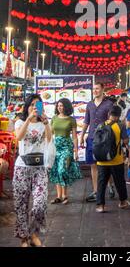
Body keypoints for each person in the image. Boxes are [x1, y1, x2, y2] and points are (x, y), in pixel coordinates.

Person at [13, 94, 52, 247]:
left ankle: (33, 233)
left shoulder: (44, 123)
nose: (35, 107)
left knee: (40, 203)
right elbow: (19, 137)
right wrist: (29, 119)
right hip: (22, 167)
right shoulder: (20, 122)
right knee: (21, 204)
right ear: (27, 106)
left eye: (38, 104)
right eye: (32, 104)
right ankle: (24, 238)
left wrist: (46, 122)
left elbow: (49, 139)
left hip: (39, 168)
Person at [80, 82, 113, 202]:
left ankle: (110, 185)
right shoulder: (89, 104)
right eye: (94, 89)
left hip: (104, 139)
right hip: (91, 138)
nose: (95, 91)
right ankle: (96, 191)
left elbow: (111, 121)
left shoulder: (109, 104)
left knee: (104, 164)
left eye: (97, 88)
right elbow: (86, 121)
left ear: (103, 89)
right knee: (93, 164)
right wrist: (82, 135)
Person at [95, 105, 130, 212]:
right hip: (116, 160)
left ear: (109, 114)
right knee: (119, 182)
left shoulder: (100, 125)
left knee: (101, 183)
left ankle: (100, 205)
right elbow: (125, 141)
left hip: (101, 160)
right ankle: (123, 202)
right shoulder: (120, 126)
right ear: (119, 116)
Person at [49, 98, 81, 205]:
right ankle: (58, 196)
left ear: (66, 107)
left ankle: (65, 195)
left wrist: (76, 151)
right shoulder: (53, 118)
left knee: (62, 169)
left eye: (62, 105)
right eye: (58, 105)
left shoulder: (71, 120)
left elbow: (75, 137)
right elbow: (50, 134)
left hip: (66, 147)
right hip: (55, 147)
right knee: (56, 170)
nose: (59, 107)